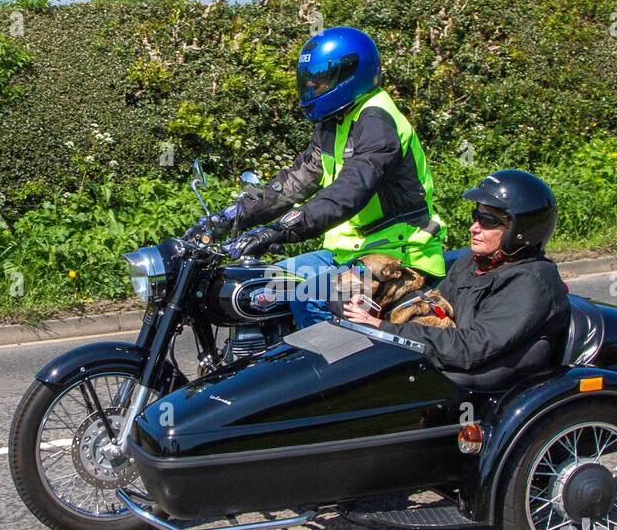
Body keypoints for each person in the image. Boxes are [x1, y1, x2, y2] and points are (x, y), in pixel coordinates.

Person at [187, 27, 446, 327]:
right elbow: (294, 182)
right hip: (347, 254)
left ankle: (331, 370)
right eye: (308, 77)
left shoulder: (377, 120)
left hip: (396, 256)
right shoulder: (334, 122)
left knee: (305, 294)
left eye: (320, 79)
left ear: (350, 74)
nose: (311, 84)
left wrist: (281, 229)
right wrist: (229, 217)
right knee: (263, 285)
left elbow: (350, 192)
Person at [344, 170, 570, 384]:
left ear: (521, 231)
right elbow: (434, 307)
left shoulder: (531, 282)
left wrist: (383, 328)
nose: (473, 227)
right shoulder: (471, 263)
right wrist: (374, 308)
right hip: (448, 365)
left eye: (488, 221)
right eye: (476, 216)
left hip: (472, 382)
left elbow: (471, 348)